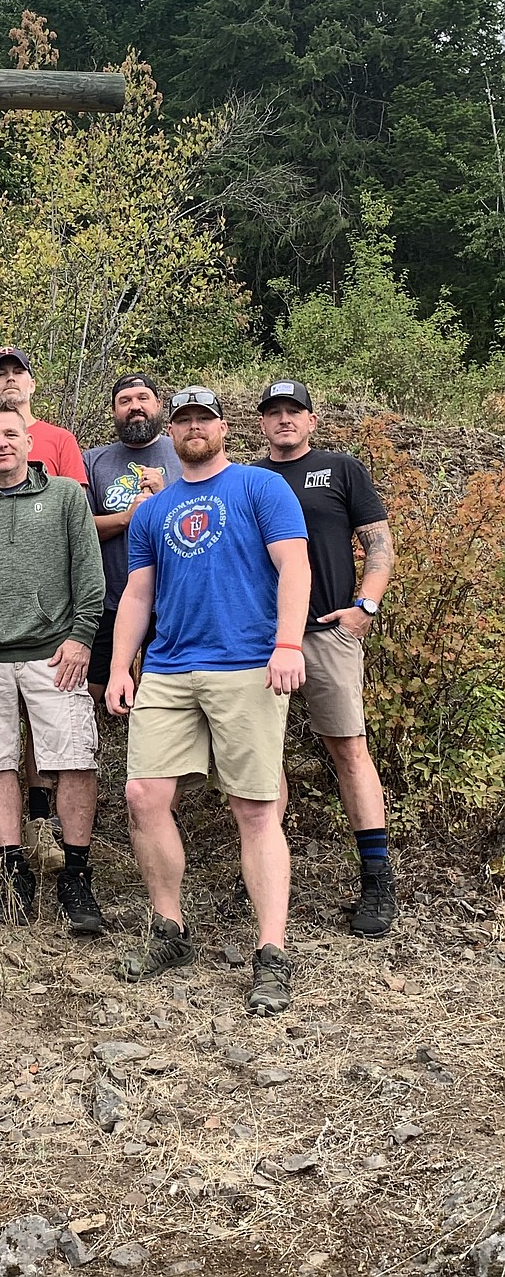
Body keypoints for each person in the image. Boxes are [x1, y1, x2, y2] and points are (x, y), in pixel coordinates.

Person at [105, 387, 311, 1017]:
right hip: (168, 668)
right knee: (144, 796)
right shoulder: (153, 509)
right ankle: (169, 929)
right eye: (184, 420)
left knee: (254, 807)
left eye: (205, 418)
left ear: (223, 427)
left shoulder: (260, 489)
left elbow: (294, 567)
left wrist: (287, 644)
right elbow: (139, 595)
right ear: (173, 431)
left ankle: (271, 951)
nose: (194, 428)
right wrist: (120, 665)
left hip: (248, 664)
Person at [0, 406, 106, 931]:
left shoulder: (66, 497)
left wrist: (81, 638)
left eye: (11, 434)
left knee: (75, 757)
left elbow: (89, 574)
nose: (1, 443)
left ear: (29, 443)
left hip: (53, 652)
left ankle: (76, 873)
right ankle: (14, 867)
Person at [256, 379, 398, 936]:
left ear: (312, 421)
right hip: (261, 640)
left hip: (327, 632)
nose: (284, 419)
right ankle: (270, 880)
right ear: (261, 423)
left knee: (349, 750)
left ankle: (377, 883)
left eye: (295, 411)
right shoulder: (248, 479)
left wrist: (367, 604)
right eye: (274, 412)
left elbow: (379, 542)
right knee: (264, 759)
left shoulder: (341, 469)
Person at [0, 347, 87, 874]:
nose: (9, 381)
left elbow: (73, 526)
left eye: (17, 373)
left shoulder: (60, 442)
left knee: (54, 739)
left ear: (33, 383)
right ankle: (6, 842)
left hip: (49, 629)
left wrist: (78, 625)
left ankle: (44, 826)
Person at [83, 373, 183, 702]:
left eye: (142, 398)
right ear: (113, 411)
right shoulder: (93, 460)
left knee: (168, 693)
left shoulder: (184, 452)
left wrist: (164, 498)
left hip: (174, 599)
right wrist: (127, 518)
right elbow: (80, 529)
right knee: (92, 688)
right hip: (111, 598)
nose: (134, 407)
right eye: (125, 401)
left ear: (158, 406)